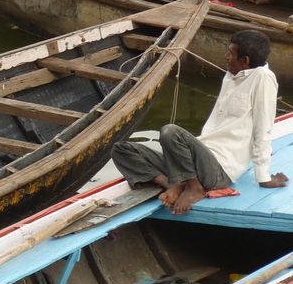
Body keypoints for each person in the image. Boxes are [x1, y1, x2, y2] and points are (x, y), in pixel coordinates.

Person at [111, 29, 288, 215]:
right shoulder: (232, 75)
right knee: (121, 149)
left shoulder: (263, 78)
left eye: (231, 54)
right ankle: (174, 184)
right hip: (197, 160)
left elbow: (264, 129)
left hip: (219, 169)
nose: (226, 57)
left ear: (245, 61)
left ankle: (194, 187)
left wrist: (263, 176)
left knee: (170, 131)